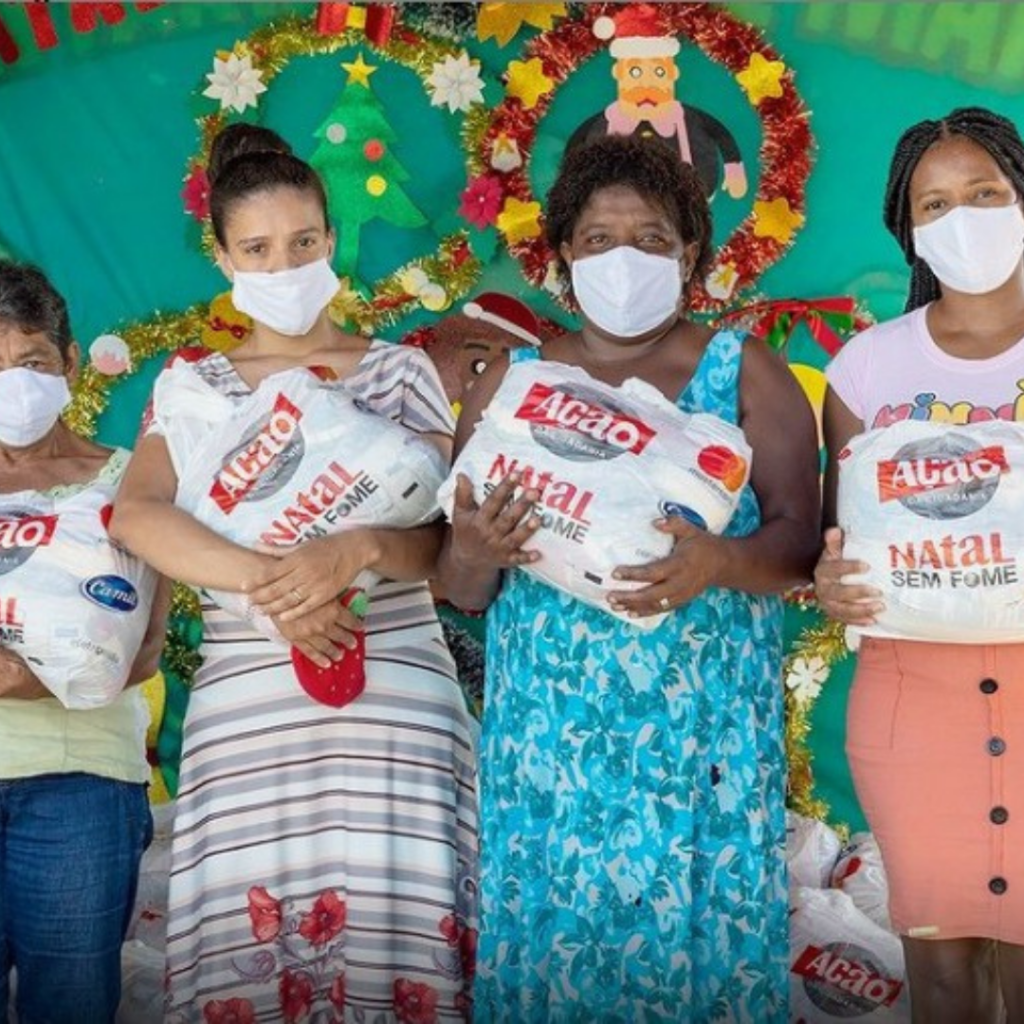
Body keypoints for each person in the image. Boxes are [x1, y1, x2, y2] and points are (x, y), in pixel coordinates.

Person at [438, 134, 820, 1022]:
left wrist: (719, 560)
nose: (625, 259)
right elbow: (459, 586)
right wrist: (474, 552)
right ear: (564, 254)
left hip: (703, 744)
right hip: (553, 747)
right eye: (599, 239)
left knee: (702, 961)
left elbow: (802, 544)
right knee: (556, 958)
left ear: (692, 252)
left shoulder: (746, 374)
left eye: (651, 239)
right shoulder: (510, 385)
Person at [110, 126, 478, 1021]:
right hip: (252, 714)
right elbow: (138, 515)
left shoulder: (400, 373)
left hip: (395, 703)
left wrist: (350, 552)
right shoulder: (192, 389)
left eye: (304, 242)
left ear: (331, 238)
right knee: (253, 964)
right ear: (225, 257)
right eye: (260, 249)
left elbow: (441, 543)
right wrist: (276, 582)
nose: (287, 264)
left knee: (405, 960)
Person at [814, 106, 1024, 1023]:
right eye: (935, 205)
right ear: (909, 232)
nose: (963, 220)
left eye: (985, 193)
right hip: (913, 698)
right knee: (941, 968)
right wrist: (825, 583)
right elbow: (832, 542)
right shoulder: (867, 368)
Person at [0, 260, 168, 1023]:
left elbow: (147, 646)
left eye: (31, 362)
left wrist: (32, 677)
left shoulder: (128, 482)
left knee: (69, 1003)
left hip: (81, 785)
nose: (14, 384)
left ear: (69, 364)